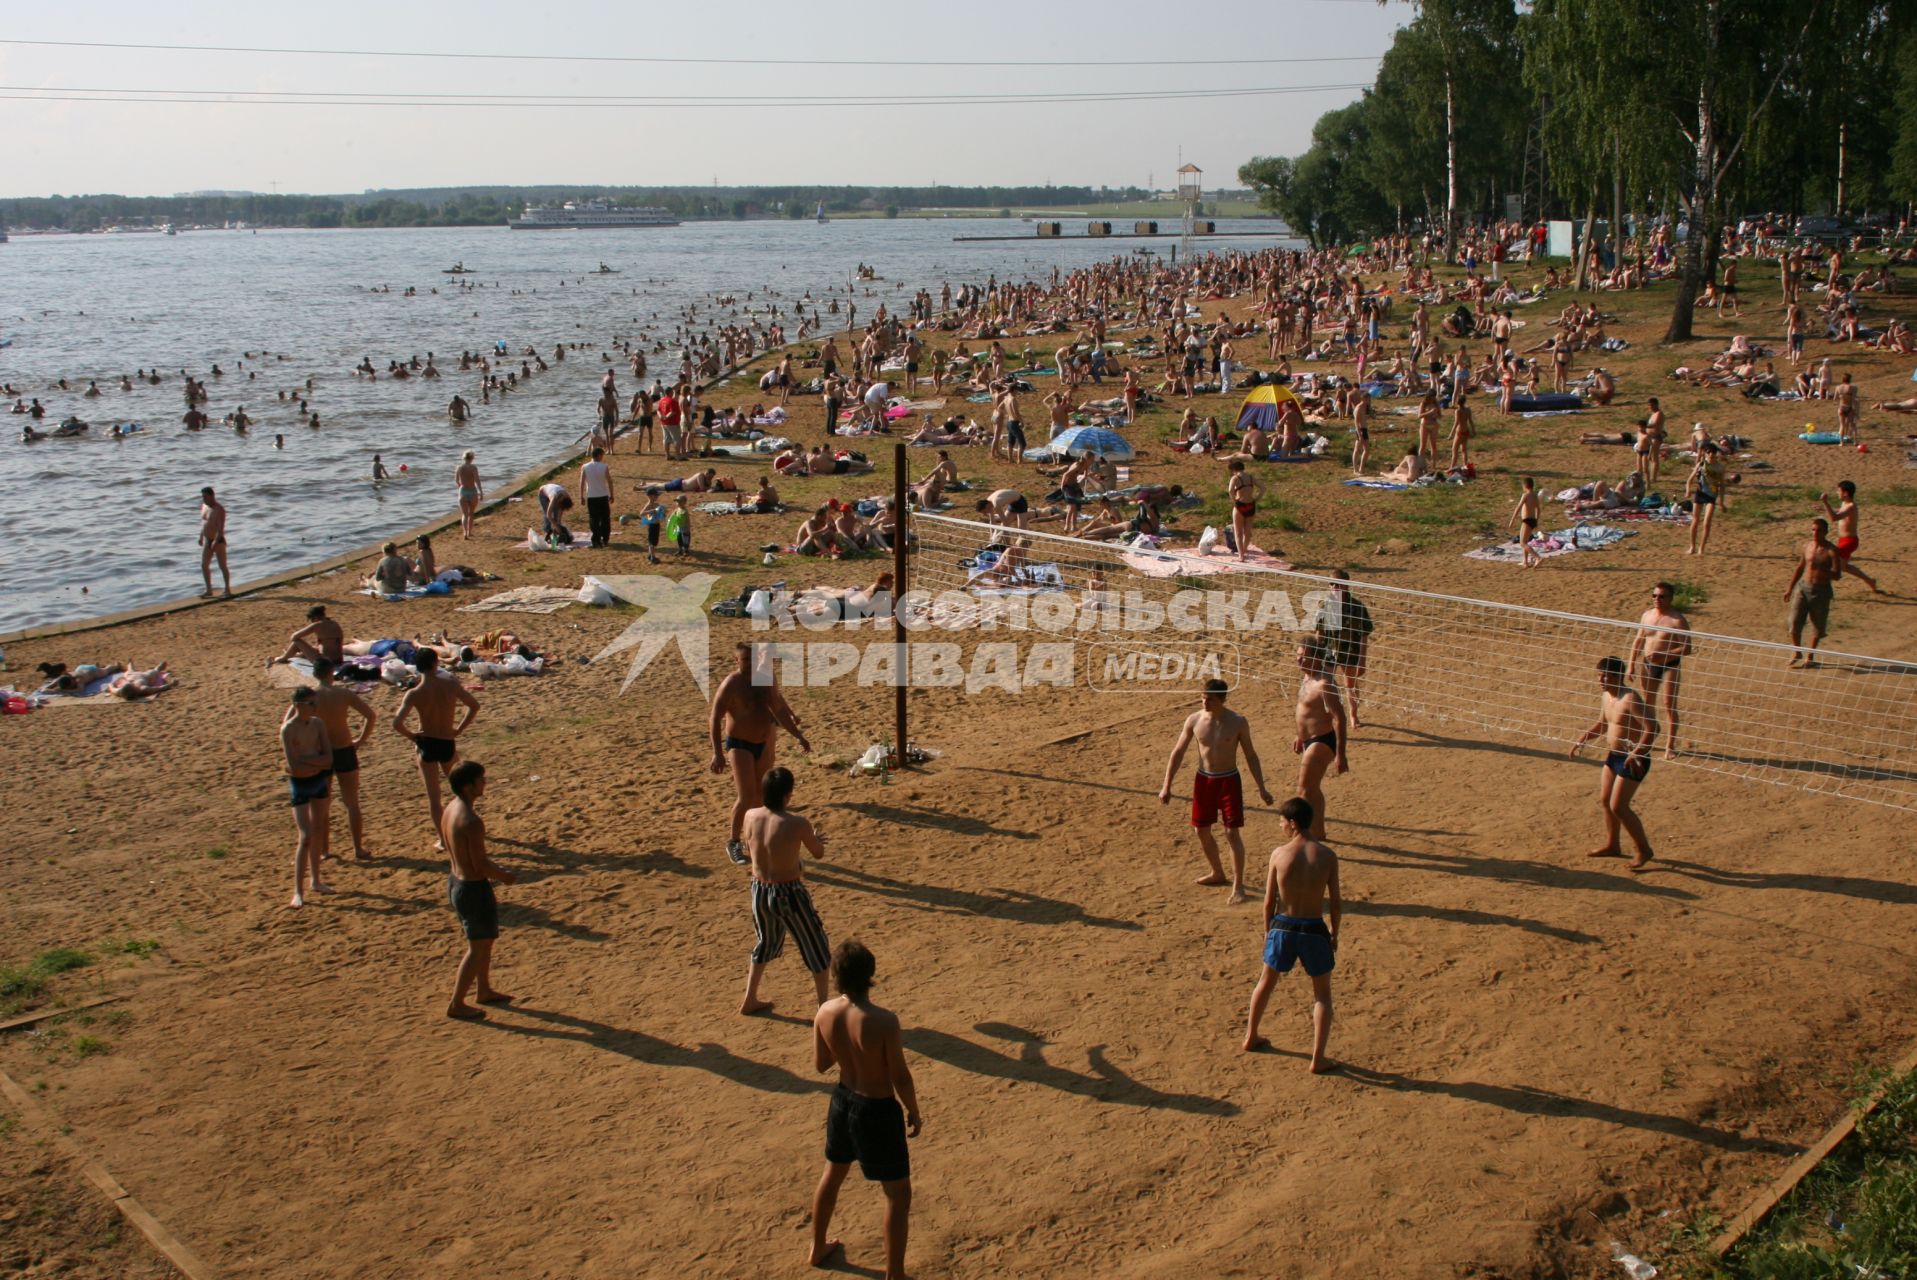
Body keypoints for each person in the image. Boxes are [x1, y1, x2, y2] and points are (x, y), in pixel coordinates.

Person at [809, 940, 920, 1280]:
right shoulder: (884, 1021)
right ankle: (895, 1274)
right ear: (870, 975)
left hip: (843, 1101)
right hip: (878, 1110)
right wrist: (913, 1110)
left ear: (838, 976)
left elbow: (821, 1065)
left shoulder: (825, 1012)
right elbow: (899, 1075)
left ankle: (817, 1247)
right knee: (898, 1194)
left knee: (833, 1174)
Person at [1242, 796, 1341, 1073]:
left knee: (1266, 981)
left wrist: (1266, 931)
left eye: (1282, 821)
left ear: (1293, 823)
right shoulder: (1327, 856)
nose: (1281, 825)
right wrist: (1335, 931)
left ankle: (1251, 1034)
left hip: (1283, 926)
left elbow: (1268, 901)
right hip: (1313, 928)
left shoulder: (1279, 854)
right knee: (1322, 994)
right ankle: (1318, 1058)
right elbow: (1334, 901)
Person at [1157, 678, 1275, 904]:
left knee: (1232, 833)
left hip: (1229, 781)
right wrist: (1166, 785)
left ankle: (1238, 886)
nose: (1204, 702)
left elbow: (1251, 755)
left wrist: (1261, 788)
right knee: (1201, 830)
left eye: (1209, 698)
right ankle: (1218, 872)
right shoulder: (1194, 720)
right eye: (1202, 697)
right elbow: (1178, 752)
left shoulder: (1238, 722)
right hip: (1204, 781)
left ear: (1222, 699)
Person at [740, 765, 831, 1014]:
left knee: (765, 942)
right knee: (816, 945)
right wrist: (813, 838)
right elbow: (818, 853)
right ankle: (823, 1005)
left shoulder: (750, 816)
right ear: (787, 794)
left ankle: (750, 998)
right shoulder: (797, 823)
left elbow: (750, 850)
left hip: (759, 888)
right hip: (788, 891)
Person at [711, 642, 811, 865]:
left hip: (763, 742)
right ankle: (733, 842)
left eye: (753, 660)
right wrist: (717, 753)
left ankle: (755, 839)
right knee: (746, 796)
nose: (750, 664)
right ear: (736, 661)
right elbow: (714, 717)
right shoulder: (731, 684)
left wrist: (798, 735)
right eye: (745, 660)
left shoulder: (766, 679)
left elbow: (779, 709)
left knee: (761, 796)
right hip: (739, 744)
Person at [440, 761, 517, 1021]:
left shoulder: (450, 808)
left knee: (486, 941)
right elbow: (480, 864)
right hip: (472, 888)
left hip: (455, 881)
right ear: (468, 786)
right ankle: (457, 1002)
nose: (485, 783)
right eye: (480, 779)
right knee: (477, 947)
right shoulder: (472, 822)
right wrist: (504, 876)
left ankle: (483, 989)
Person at [1569, 656, 1658, 872]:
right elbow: (1603, 724)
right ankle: (1613, 845)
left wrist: (1638, 752)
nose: (1601, 679)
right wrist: (1583, 738)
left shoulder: (1630, 699)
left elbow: (1653, 728)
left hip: (1634, 759)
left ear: (1619, 677)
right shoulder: (1606, 697)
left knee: (1619, 806)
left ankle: (1643, 850)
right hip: (1614, 757)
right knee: (1605, 801)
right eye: (1599, 674)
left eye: (1606, 675)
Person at [393, 648, 480, 849]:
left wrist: (413, 736)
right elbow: (474, 706)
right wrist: (459, 728)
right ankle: (467, 823)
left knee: (434, 797)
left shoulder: (414, 693)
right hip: (447, 740)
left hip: (427, 743)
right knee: (460, 788)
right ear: (435, 663)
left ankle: (443, 839)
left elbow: (397, 723)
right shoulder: (450, 685)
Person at [308, 663, 378, 859]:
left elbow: (288, 722)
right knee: (351, 802)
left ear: (314, 674)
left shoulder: (311, 696)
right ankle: (358, 848)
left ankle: (324, 850)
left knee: (323, 804)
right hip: (345, 749)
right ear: (331, 673)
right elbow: (370, 716)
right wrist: (361, 740)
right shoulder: (343, 694)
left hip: (323, 752)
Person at [280, 687, 334, 908]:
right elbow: (294, 766)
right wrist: (316, 760)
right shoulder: (288, 729)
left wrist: (309, 761)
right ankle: (298, 891)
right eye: (311, 703)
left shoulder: (317, 724)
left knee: (319, 829)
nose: (316, 707)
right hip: (301, 785)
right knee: (305, 836)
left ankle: (316, 881)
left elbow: (328, 758)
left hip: (317, 780)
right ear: (298, 705)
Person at [1292, 636, 1348, 841]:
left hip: (1321, 741)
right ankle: (1319, 833)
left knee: (1303, 791)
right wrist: (1300, 736)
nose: (1299, 660)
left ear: (1316, 658)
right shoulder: (1307, 678)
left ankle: (1301, 837)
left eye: (1303, 657)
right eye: (1298, 656)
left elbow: (1340, 719)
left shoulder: (1325, 684)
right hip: (1308, 740)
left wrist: (1340, 755)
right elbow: (1306, 711)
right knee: (1313, 789)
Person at [1629, 583, 1692, 760]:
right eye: (1655, 595)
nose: (1657, 599)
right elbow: (1639, 640)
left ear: (1671, 599)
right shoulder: (1647, 615)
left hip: (1670, 665)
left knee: (1668, 705)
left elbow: (1687, 648)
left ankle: (1670, 745)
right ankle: (1646, 741)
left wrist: (1664, 654)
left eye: (1662, 596)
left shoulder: (1677, 620)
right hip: (1648, 664)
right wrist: (1632, 663)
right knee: (1647, 705)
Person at [1783, 516, 1840, 668]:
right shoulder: (1807, 546)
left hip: (1821, 590)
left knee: (1817, 624)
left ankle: (1810, 656)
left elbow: (1837, 574)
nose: (1815, 533)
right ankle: (1797, 651)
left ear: (1826, 532)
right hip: (1803, 587)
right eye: (1813, 529)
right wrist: (1790, 588)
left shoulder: (1831, 551)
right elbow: (1800, 567)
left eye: (1819, 530)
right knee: (1794, 621)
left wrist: (1825, 572)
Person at [1821, 481, 1885, 594]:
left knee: (1830, 561)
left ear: (1845, 493)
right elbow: (1838, 513)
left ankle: (1821, 588)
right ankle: (1870, 581)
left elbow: (1834, 518)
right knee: (1844, 567)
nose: (1837, 492)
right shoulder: (1844, 504)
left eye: (1838, 490)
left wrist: (1825, 502)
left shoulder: (1851, 506)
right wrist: (1824, 508)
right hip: (1843, 540)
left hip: (1849, 541)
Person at [267, 604, 344, 671]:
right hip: (339, 660)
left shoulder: (317, 625)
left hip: (325, 663)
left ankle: (282, 658)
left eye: (311, 620)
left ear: (315, 618)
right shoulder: (335, 624)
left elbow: (294, 637)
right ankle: (290, 655)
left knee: (297, 642)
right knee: (310, 649)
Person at [1226, 460, 1262, 562]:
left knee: (1238, 532)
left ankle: (1241, 556)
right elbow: (1263, 488)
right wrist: (1257, 499)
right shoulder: (1251, 477)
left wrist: (1234, 501)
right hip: (1251, 504)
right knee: (1247, 531)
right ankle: (1244, 550)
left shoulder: (1235, 478)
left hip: (1240, 505)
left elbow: (1230, 490)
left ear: (1234, 470)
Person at [199, 485, 230, 597]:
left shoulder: (219, 509)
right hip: (207, 539)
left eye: (206, 497)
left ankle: (227, 589)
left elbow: (220, 528)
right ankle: (209, 590)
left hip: (218, 541)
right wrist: (201, 537)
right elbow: (204, 523)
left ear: (212, 496)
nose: (204, 499)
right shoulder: (204, 506)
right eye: (203, 497)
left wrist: (215, 542)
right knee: (204, 565)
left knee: (222, 565)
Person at [581, 446, 614, 548]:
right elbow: (609, 481)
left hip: (591, 496)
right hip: (603, 495)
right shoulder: (604, 466)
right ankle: (605, 539)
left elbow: (582, 482)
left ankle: (596, 539)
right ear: (599, 455)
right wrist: (612, 494)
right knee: (605, 519)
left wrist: (581, 496)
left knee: (594, 519)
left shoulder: (585, 467)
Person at [1511, 477, 1542, 568]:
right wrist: (1536, 520)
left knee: (1522, 543)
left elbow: (1518, 507)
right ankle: (1525, 561)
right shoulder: (1535, 496)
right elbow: (1538, 510)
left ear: (1524, 486)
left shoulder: (1525, 495)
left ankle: (1537, 557)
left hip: (1526, 521)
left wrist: (1512, 520)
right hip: (1532, 520)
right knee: (1526, 541)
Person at [455, 451, 483, 539]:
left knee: (464, 514)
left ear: (463, 458)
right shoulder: (473, 467)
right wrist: (481, 491)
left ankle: (465, 533)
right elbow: (477, 480)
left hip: (463, 491)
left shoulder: (459, 468)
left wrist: (460, 486)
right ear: (472, 458)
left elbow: (456, 481)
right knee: (471, 514)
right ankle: (469, 532)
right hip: (472, 491)